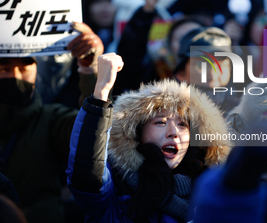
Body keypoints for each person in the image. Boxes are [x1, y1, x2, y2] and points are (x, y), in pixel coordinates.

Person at [66, 53, 232, 222]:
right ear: (136, 134)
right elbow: (86, 174)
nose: (173, 132)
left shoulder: (217, 196)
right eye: (160, 122)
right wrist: (101, 92)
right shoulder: (115, 190)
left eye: (183, 125)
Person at [0, 22, 103, 223]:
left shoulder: (52, 119)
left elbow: (94, 133)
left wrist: (90, 71)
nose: (16, 76)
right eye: (4, 69)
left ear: (37, 70)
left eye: (24, 68)